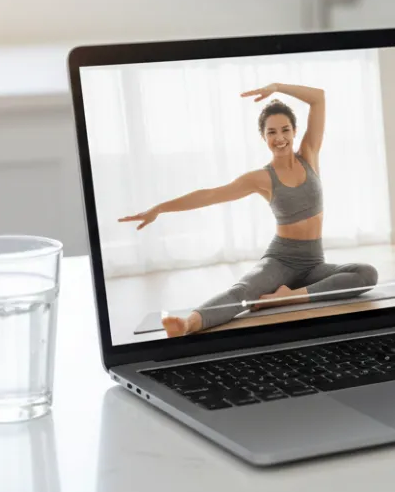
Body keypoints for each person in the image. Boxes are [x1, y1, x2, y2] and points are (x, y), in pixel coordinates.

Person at [119, 82, 378, 337]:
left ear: (294, 130)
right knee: (243, 291)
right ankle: (189, 324)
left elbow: (318, 98)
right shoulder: (262, 178)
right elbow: (210, 195)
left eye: (285, 130)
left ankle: (291, 298)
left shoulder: (309, 154)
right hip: (281, 261)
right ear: (263, 137)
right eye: (272, 132)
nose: (280, 138)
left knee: (366, 273)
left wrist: (277, 86)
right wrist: (160, 208)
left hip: (313, 265)